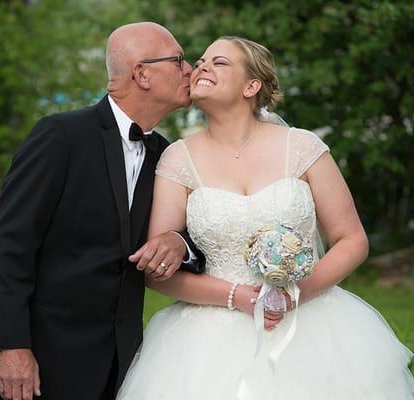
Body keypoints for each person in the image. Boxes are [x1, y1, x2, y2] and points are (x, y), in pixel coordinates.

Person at [116, 36, 414, 399]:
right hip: (206, 341)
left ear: (251, 85)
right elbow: (157, 272)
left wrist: (294, 295)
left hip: (314, 325)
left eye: (220, 62)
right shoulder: (177, 159)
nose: (202, 66)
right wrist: (237, 296)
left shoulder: (302, 146)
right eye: (202, 60)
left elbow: (352, 239)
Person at [0, 22, 205, 400]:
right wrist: (11, 346)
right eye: (178, 60)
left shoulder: (167, 156)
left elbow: (199, 233)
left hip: (123, 359)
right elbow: (7, 242)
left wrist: (177, 241)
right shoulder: (60, 136)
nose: (191, 70)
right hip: (45, 356)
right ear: (141, 73)